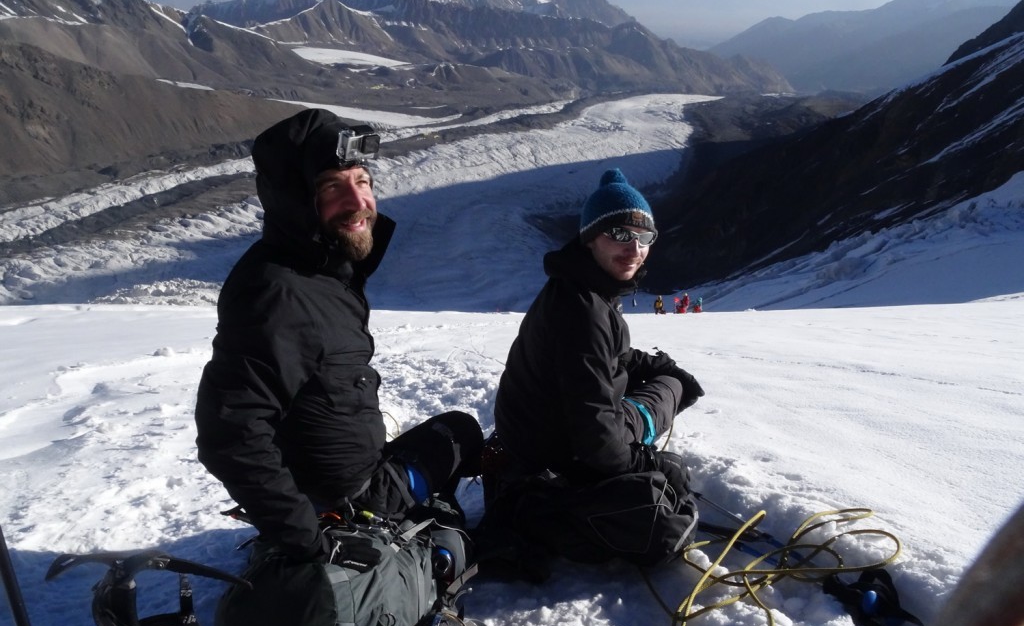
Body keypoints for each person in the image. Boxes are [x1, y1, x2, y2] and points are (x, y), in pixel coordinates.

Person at [195, 108, 484, 564]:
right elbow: (229, 435)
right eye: (332, 186)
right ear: (295, 199)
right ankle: (427, 520)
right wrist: (307, 540)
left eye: (362, 180)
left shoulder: (317, 274)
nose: (357, 200)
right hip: (355, 500)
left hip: (338, 478)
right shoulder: (276, 294)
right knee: (460, 431)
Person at [480, 168, 704, 576]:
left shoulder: (584, 290)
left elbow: (611, 357)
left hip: (538, 445)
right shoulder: (583, 308)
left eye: (644, 237)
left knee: (664, 380)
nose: (634, 248)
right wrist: (641, 464)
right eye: (620, 234)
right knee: (668, 390)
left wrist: (655, 364)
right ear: (590, 236)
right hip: (557, 454)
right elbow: (596, 434)